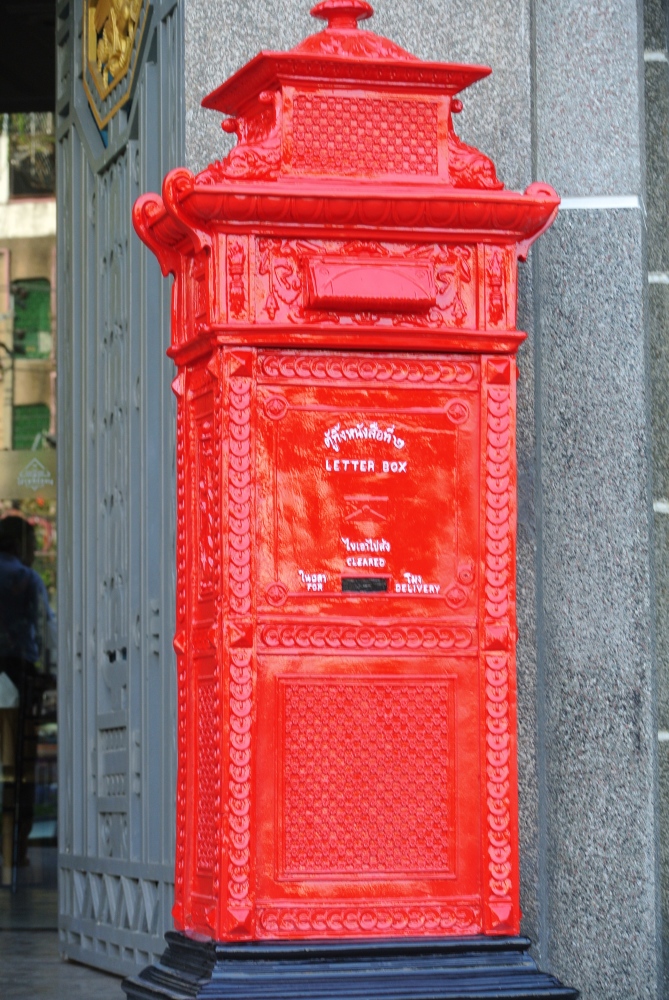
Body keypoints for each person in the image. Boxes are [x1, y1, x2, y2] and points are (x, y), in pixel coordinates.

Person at [0, 515, 55, 886]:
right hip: (19, 674)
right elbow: (45, 629)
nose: (35, 551)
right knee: (20, 769)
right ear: (20, 545)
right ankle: (16, 853)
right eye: (32, 543)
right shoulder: (27, 579)